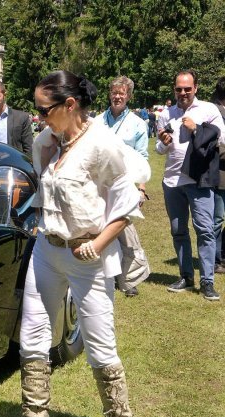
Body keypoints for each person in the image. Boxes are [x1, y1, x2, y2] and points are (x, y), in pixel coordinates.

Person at [0, 71, 146, 417]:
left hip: (87, 260)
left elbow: (127, 204)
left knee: (101, 348)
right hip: (47, 251)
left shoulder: (103, 145)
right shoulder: (47, 141)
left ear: (70, 105)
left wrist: (97, 243)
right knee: (34, 335)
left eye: (45, 110)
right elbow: (46, 187)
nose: (39, 118)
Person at [156, 70, 225, 301]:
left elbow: (222, 139)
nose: (183, 93)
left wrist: (197, 128)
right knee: (179, 231)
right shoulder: (167, 113)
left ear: (196, 87)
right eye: (179, 89)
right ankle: (186, 276)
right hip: (171, 181)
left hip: (199, 180)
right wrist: (163, 143)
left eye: (187, 88)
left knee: (205, 230)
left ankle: (207, 282)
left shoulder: (208, 109)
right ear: (174, 89)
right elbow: (159, 148)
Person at [96, 75, 151, 297]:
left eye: (122, 93)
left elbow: (143, 158)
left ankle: (129, 280)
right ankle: (103, 276)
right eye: (114, 92)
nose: (118, 96)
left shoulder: (138, 124)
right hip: (100, 185)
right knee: (100, 229)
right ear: (109, 94)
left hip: (125, 185)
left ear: (128, 96)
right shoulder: (98, 121)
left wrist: (142, 189)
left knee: (125, 232)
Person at [210, 77, 225, 274]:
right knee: (216, 220)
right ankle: (213, 259)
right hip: (220, 176)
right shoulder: (213, 113)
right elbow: (215, 146)